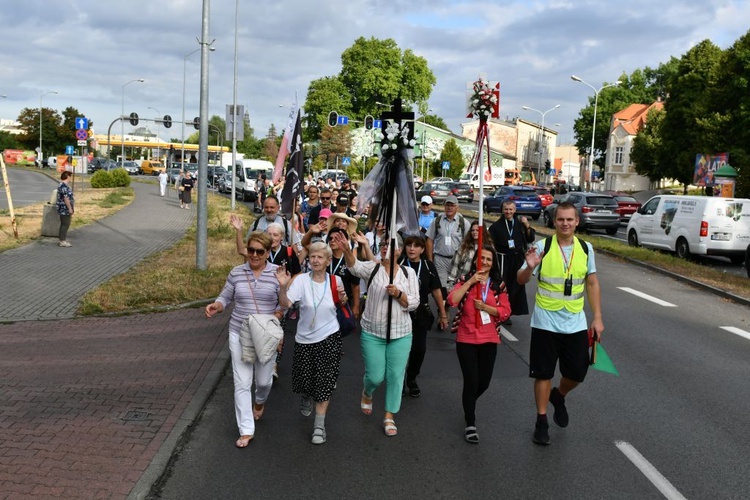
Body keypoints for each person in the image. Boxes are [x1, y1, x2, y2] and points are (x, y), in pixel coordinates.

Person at [517, 201, 604, 446]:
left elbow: (592, 283)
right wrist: (530, 267)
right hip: (545, 321)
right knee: (543, 373)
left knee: (577, 372)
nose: (565, 223)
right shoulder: (541, 246)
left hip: (575, 321)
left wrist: (597, 317)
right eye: (560, 219)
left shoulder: (586, 249)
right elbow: (521, 279)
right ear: (554, 221)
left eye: (569, 219)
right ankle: (541, 420)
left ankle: (559, 395)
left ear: (577, 222)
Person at [330, 231, 419, 437]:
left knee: (396, 376)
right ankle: (367, 392)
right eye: (384, 243)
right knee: (375, 377)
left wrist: (398, 294)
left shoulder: (408, 273)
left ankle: (389, 415)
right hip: (373, 333)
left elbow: (413, 303)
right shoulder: (373, 268)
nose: (387, 246)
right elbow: (354, 266)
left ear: (400, 250)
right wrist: (346, 249)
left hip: (401, 334)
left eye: (392, 244)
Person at [204, 231, 284, 448]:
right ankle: (246, 429)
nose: (254, 255)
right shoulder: (237, 273)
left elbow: (284, 304)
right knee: (242, 382)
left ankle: (259, 402)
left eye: (260, 251)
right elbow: (226, 296)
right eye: (251, 250)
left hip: (265, 335)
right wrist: (217, 306)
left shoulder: (277, 273)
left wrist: (277, 314)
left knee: (264, 381)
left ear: (268, 253)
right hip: (239, 332)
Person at [276, 242, 345, 445]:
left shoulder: (336, 280)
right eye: (312, 256)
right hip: (305, 338)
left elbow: (342, 303)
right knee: (305, 381)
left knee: (324, 383)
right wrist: (282, 286)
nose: (315, 260)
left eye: (320, 257)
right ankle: (306, 394)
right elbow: (286, 304)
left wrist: (344, 299)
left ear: (328, 261)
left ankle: (319, 426)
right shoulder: (301, 281)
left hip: (329, 337)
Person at [448, 245, 511, 444]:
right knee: (471, 381)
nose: (484, 262)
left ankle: (469, 404)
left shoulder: (498, 284)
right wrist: (471, 281)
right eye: (481, 258)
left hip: (489, 339)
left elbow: (506, 311)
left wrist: (487, 308)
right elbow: (452, 300)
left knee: (484, 382)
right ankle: (470, 422)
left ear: (493, 264)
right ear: (476, 260)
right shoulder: (465, 279)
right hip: (466, 338)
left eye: (488, 259)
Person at [400, 234, 449, 397]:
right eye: (409, 245)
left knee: (419, 349)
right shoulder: (399, 264)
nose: (411, 248)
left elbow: (436, 290)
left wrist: (443, 314)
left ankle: (412, 377)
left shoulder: (428, 266)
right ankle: (398, 380)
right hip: (400, 312)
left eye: (416, 246)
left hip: (420, 313)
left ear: (422, 249)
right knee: (399, 349)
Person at [489, 200, 536, 325]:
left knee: (516, 287)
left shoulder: (520, 224)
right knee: (503, 286)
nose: (508, 212)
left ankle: (510, 311)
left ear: (515, 210)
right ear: (502, 210)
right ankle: (501, 311)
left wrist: (527, 225)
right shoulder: (496, 226)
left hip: (517, 259)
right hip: (503, 259)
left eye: (511, 209)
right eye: (506, 209)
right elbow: (491, 244)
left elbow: (530, 238)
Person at [425, 195, 470, 295]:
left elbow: (469, 241)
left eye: (452, 205)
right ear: (444, 206)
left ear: (457, 207)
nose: (449, 208)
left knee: (454, 287)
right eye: (447, 205)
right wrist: (430, 259)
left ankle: (446, 306)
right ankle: (442, 309)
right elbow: (429, 240)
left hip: (457, 260)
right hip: (440, 259)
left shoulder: (463, 222)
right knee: (441, 287)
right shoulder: (437, 220)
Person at [446, 220, 492, 290]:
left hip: (481, 287)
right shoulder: (463, 247)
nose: (475, 232)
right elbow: (454, 268)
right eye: (473, 230)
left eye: (477, 230)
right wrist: (450, 287)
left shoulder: (489, 248)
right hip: (462, 285)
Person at [56, 171, 75, 247]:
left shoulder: (63, 186)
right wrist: (70, 208)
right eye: (70, 176)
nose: (70, 178)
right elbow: (66, 198)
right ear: (67, 177)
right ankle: (62, 241)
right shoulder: (63, 186)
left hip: (63, 208)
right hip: (64, 208)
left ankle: (61, 239)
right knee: (65, 224)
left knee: (64, 224)